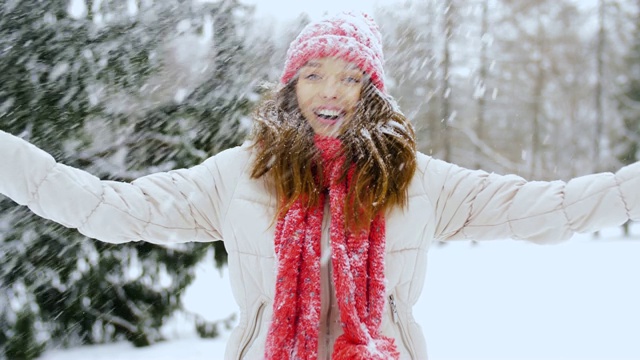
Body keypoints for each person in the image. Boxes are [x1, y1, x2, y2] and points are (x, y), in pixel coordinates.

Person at [0, 11, 639, 360]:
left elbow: (552, 208)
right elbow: (110, 209)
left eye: (350, 77)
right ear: (291, 86)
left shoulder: (419, 181)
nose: (330, 90)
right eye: (312, 73)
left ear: (373, 93)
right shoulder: (236, 174)